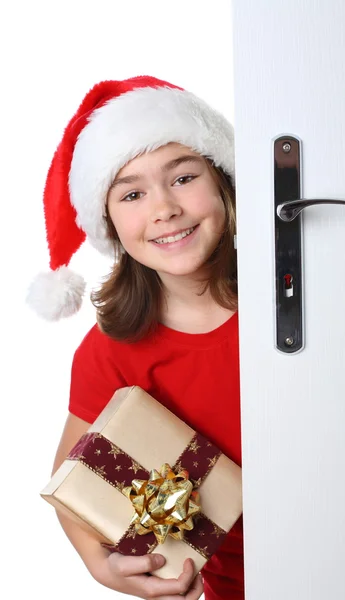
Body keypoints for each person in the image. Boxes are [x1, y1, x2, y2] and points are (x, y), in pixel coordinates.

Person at [27, 75, 243, 600]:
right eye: (132, 193)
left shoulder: (296, 299)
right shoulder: (112, 352)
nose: (164, 208)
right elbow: (71, 484)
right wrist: (99, 566)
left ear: (223, 182)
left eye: (184, 177)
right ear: (111, 222)